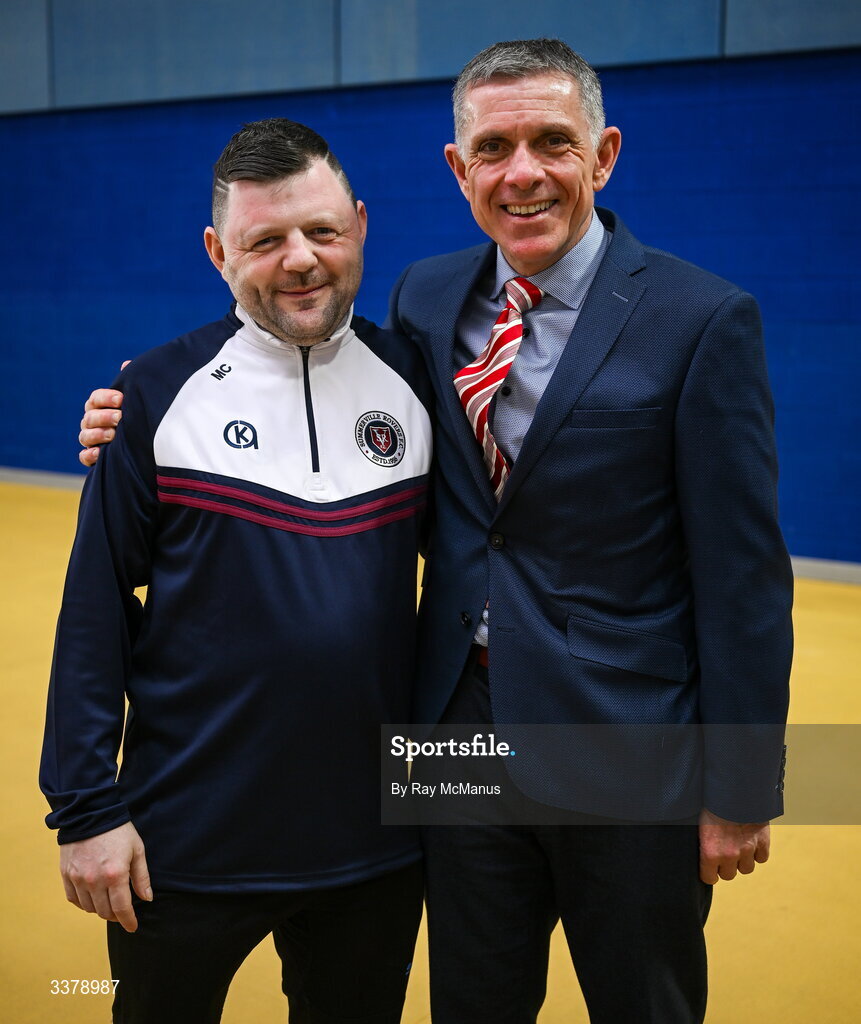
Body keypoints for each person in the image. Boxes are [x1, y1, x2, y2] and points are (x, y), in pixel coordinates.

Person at [79, 39, 793, 1024]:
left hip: (628, 747)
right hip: (451, 739)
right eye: (494, 147)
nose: (524, 172)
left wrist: (743, 784)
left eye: (554, 142)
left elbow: (744, 576)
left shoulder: (703, 318)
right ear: (459, 170)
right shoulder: (427, 300)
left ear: (606, 153)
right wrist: (134, 411)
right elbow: (321, 408)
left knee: (644, 1002)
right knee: (473, 999)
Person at [43, 118, 432, 1024]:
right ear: (220, 251)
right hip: (182, 841)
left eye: (323, 232)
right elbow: (93, 609)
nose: (300, 259)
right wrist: (86, 810)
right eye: (265, 240)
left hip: (377, 842)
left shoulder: (414, 378)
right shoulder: (153, 397)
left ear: (361, 227)